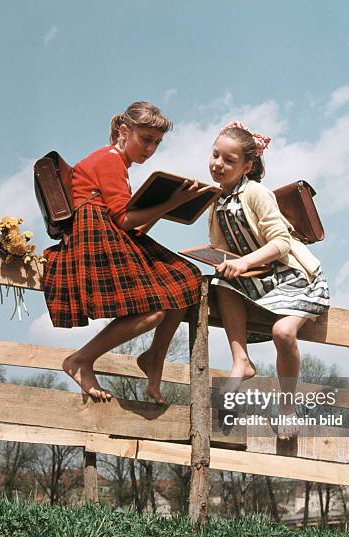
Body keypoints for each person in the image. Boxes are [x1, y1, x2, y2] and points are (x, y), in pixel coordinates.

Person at [43, 101, 209, 403]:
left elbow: (132, 226)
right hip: (96, 233)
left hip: (108, 232)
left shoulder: (117, 164)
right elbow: (122, 218)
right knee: (153, 311)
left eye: (156, 143)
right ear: (123, 131)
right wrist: (171, 203)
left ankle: (154, 357)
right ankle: (81, 359)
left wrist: (166, 206)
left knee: (186, 278)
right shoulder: (110, 160)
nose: (150, 149)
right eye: (146, 139)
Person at [208, 122, 330, 439]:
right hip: (258, 277)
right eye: (215, 155)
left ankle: (288, 407)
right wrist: (222, 261)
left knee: (283, 332)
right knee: (220, 283)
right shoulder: (217, 201)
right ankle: (241, 362)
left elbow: (281, 243)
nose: (218, 164)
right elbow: (221, 248)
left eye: (228, 160)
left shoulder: (256, 192)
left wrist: (246, 261)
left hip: (293, 275)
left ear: (247, 166)